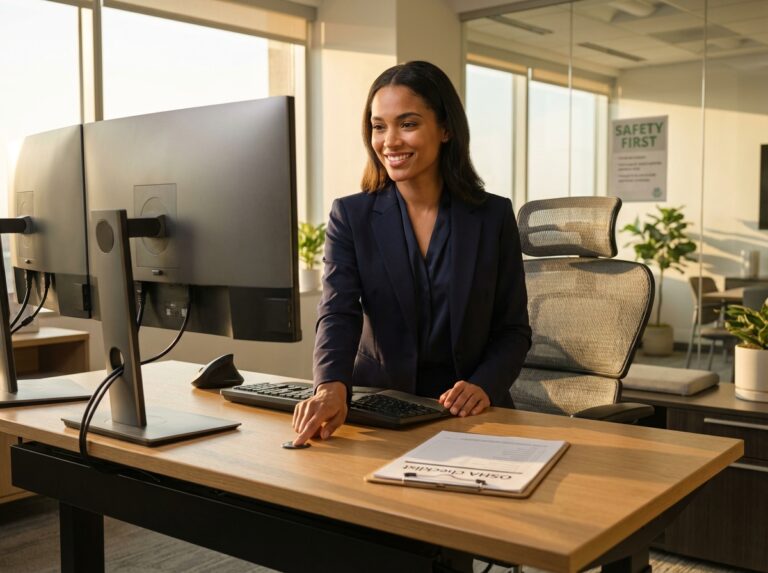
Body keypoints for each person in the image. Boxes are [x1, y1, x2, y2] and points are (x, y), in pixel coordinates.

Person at [293, 60, 531, 446]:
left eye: (408, 124)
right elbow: (338, 312)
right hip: (382, 408)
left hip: (470, 413)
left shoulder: (492, 216)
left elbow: (513, 329)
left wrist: (483, 384)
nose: (390, 141)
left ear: (446, 129)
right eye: (378, 126)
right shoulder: (352, 215)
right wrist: (330, 386)